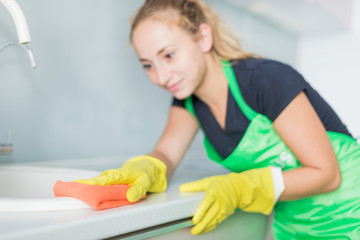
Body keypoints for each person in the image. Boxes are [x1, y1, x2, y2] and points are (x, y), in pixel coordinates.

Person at [76, 0, 360, 239]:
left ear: (203, 38)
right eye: (148, 65)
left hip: (351, 216)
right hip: (294, 227)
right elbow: (166, 154)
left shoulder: (267, 80)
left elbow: (327, 174)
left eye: (169, 55)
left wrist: (240, 188)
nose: (161, 77)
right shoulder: (187, 99)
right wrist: (148, 167)